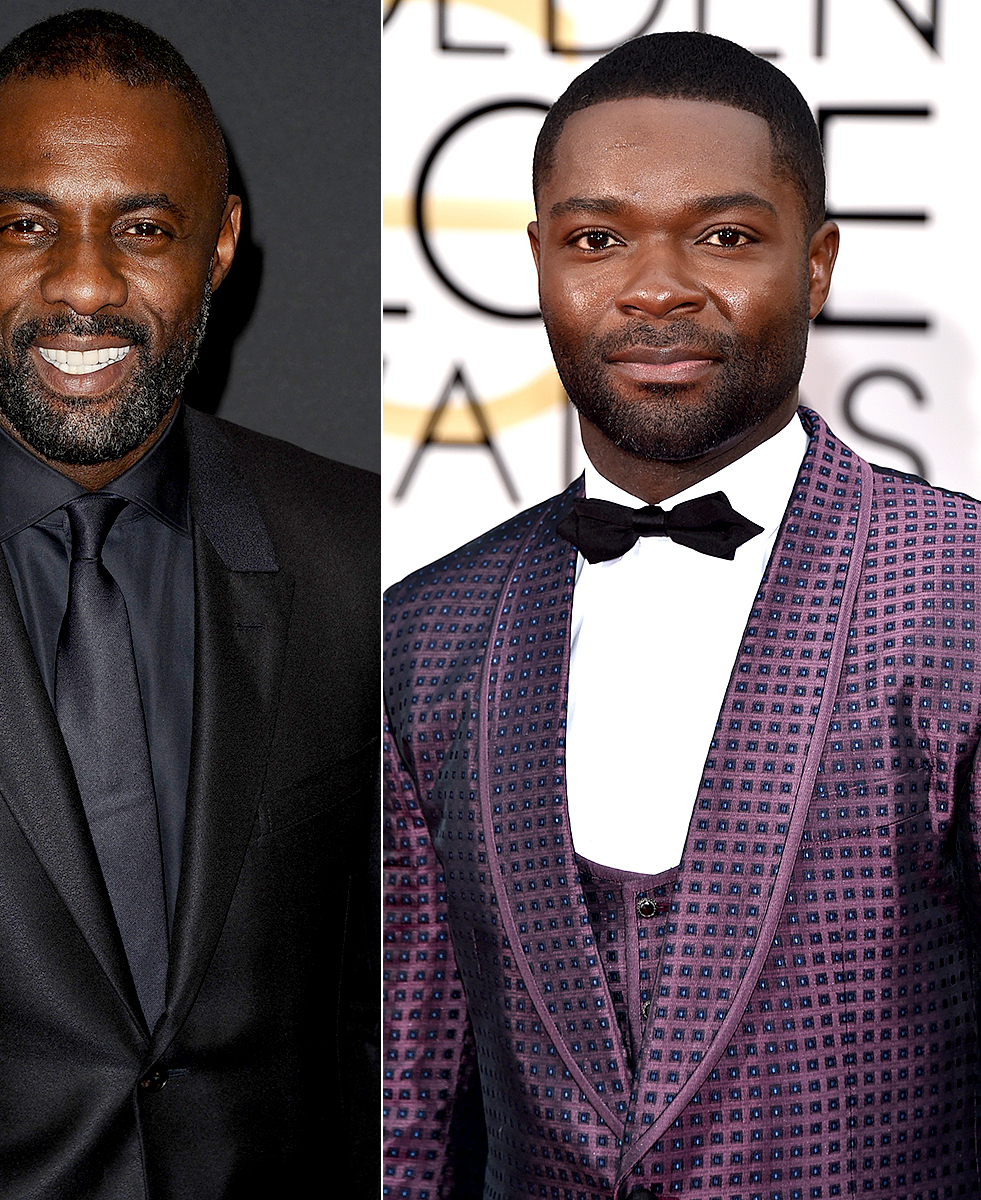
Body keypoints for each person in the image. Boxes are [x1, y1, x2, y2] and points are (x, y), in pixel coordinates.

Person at [0, 10, 377, 1199]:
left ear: (219, 246)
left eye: (145, 228)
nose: (86, 285)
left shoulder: (361, 558)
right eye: (27, 225)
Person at [384, 31, 981, 1200]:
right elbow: (407, 1115)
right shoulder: (428, 633)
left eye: (724, 236)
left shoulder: (960, 592)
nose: (655, 288)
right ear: (540, 261)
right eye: (597, 239)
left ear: (815, 266)